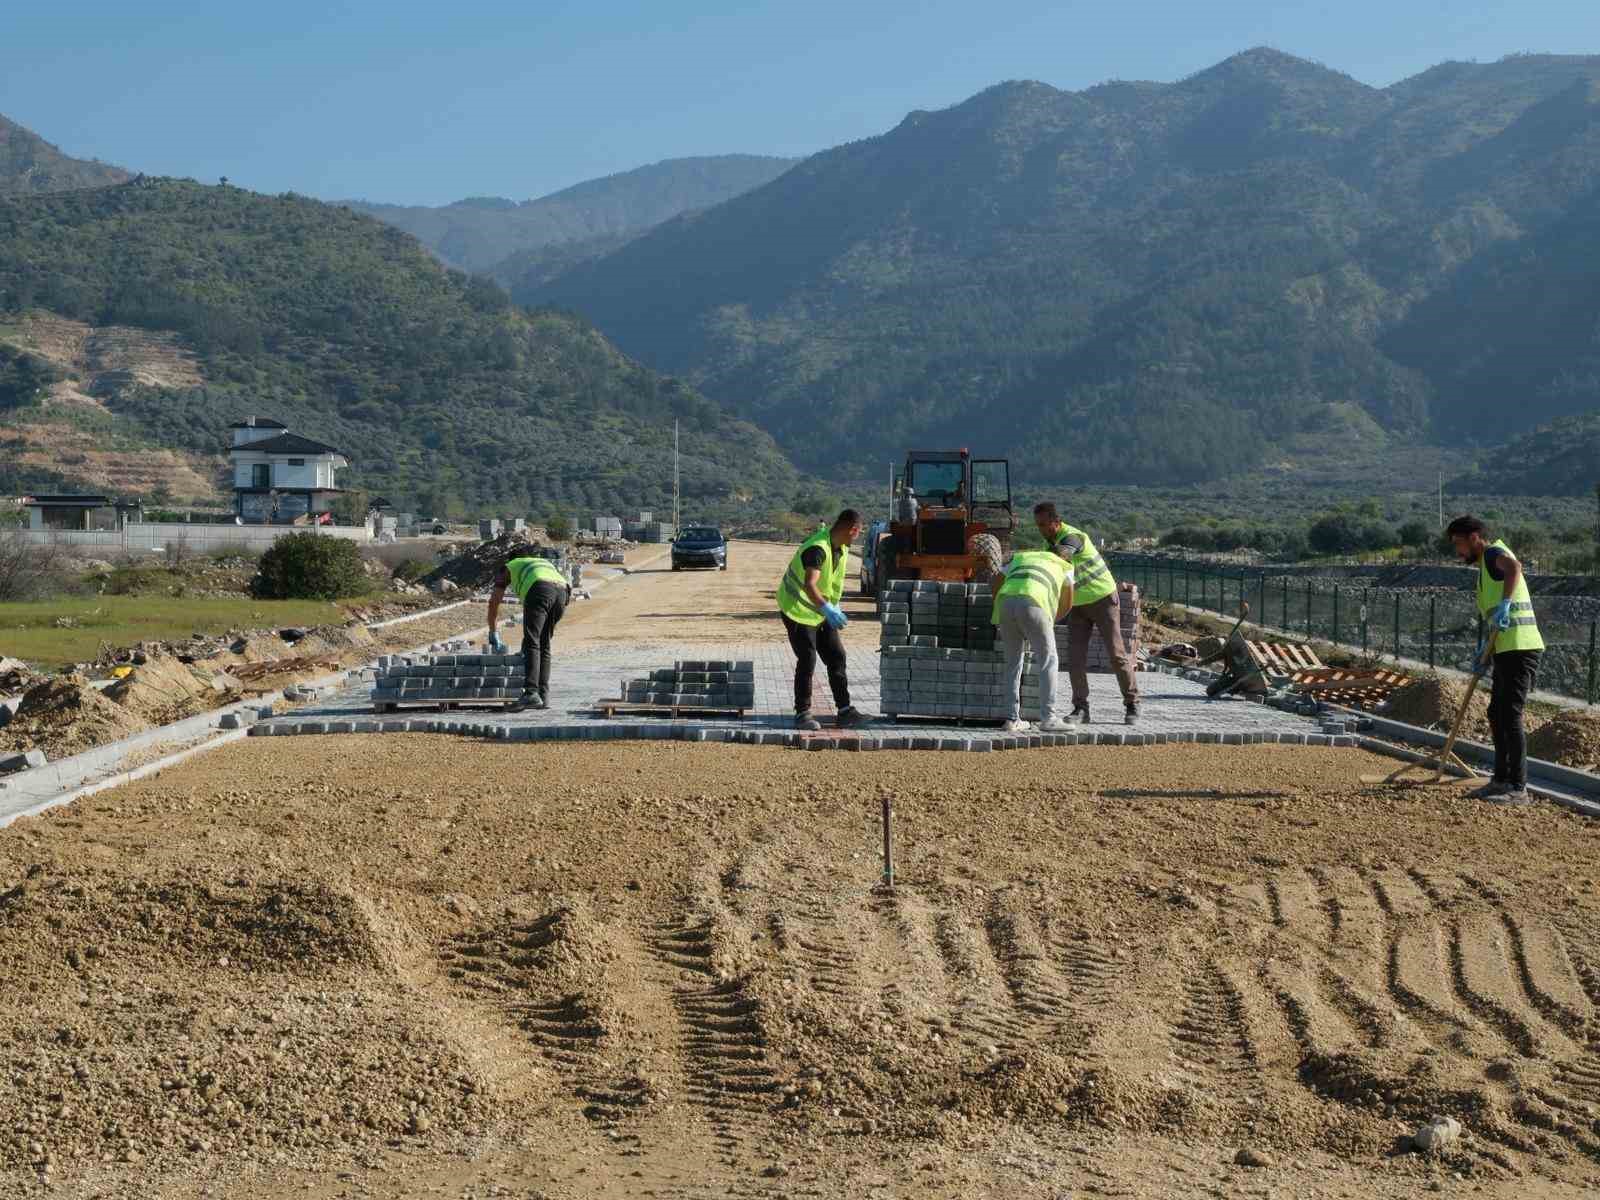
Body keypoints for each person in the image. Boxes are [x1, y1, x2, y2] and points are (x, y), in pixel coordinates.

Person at [1446, 515, 1545, 804]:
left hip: (1521, 648)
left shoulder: (1493, 554)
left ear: (1474, 536)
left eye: (1459, 544)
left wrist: (1505, 603)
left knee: (1510, 715)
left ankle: (1518, 787)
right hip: (1505, 649)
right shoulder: (1483, 570)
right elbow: (1494, 623)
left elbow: (1514, 567)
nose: (1458, 551)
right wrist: (1485, 652)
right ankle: (1500, 780)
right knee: (1495, 714)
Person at [1032, 502, 1140, 725]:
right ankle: (1081, 709)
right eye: (1038, 525)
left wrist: (1036, 558)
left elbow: (1063, 555)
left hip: (1102, 599)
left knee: (1116, 654)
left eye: (1044, 524)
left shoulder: (1074, 536)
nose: (1041, 529)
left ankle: (1132, 704)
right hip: (1078, 606)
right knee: (1075, 659)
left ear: (1057, 522)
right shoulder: (1046, 545)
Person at [777, 509, 871, 731]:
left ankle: (845, 711)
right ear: (853, 530)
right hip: (796, 609)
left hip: (819, 611)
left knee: (836, 656)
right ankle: (802, 714)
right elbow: (810, 584)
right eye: (859, 532)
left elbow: (830, 582)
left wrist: (833, 605)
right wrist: (828, 608)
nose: (859, 536)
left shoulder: (841, 547)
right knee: (807, 659)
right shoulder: (818, 548)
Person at [990, 548, 1074, 732]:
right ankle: (1049, 718)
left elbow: (996, 578)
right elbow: (1068, 601)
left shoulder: (1022, 557)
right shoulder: (1064, 565)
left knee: (1012, 663)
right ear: (1065, 557)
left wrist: (1000, 601)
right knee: (1048, 660)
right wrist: (1048, 621)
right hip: (1034, 603)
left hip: (1006, 602)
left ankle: (1012, 720)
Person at [486, 550, 571, 711]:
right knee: (543, 644)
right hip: (562, 593)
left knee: (533, 641)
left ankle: (531, 693)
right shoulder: (540, 563)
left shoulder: (509, 566)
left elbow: (494, 602)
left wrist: (493, 631)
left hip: (540, 590)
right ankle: (543, 696)